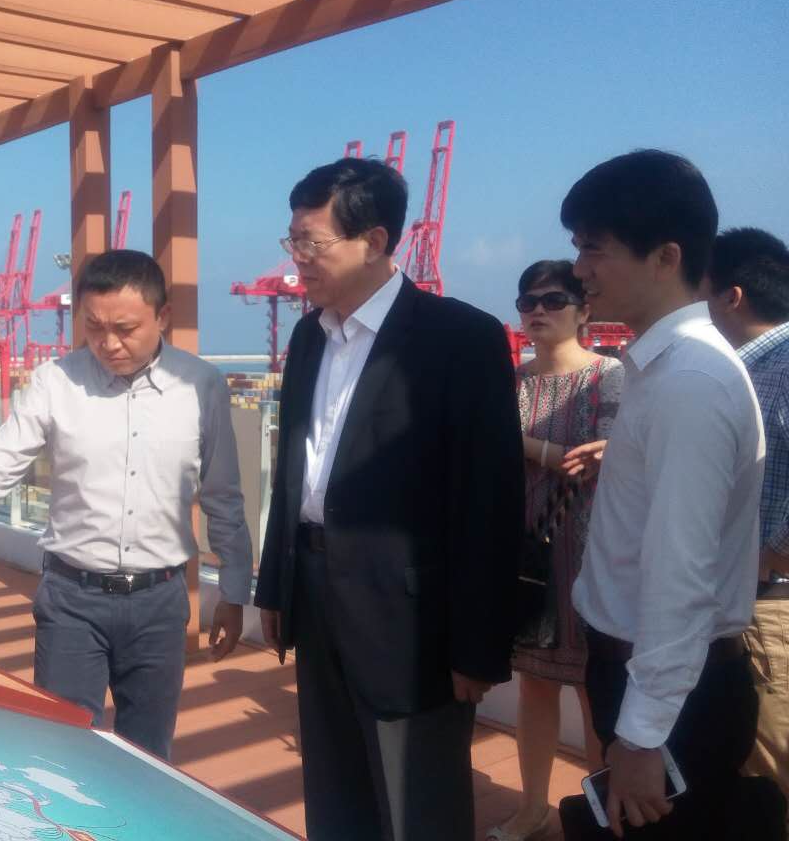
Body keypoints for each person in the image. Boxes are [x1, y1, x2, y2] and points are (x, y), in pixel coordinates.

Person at [0, 250, 252, 760]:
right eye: (94, 326)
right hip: (72, 601)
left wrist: (234, 590)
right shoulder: (56, 383)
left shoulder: (201, 386)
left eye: (125, 329)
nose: (108, 343)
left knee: (149, 759)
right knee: (59, 753)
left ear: (162, 316)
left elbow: (222, 495)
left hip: (160, 605)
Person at [254, 156, 524, 841]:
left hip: (414, 622)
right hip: (316, 593)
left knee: (418, 805)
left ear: (374, 241)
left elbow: (489, 499)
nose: (297, 260)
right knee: (335, 791)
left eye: (311, 242)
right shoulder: (309, 336)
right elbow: (295, 473)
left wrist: (479, 647)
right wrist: (276, 586)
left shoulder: (459, 338)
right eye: (292, 240)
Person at [554, 150, 766, 840]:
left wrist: (644, 735)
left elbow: (682, 575)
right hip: (655, 678)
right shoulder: (665, 367)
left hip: (673, 696)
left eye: (595, 248)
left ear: (665, 257)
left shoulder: (689, 381)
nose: (579, 268)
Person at [488, 260, 624, 841]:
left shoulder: (608, 376)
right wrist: (550, 453)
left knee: (596, 688)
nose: (538, 310)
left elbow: (609, 459)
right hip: (528, 557)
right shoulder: (511, 381)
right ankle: (533, 807)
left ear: (584, 310)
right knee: (535, 683)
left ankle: (601, 810)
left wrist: (523, 445)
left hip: (593, 553)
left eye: (553, 300)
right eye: (528, 302)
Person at [706, 227, 789, 811]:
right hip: (756, 602)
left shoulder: (776, 367)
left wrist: (770, 553)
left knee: (773, 772)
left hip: (771, 605)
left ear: (731, 297)